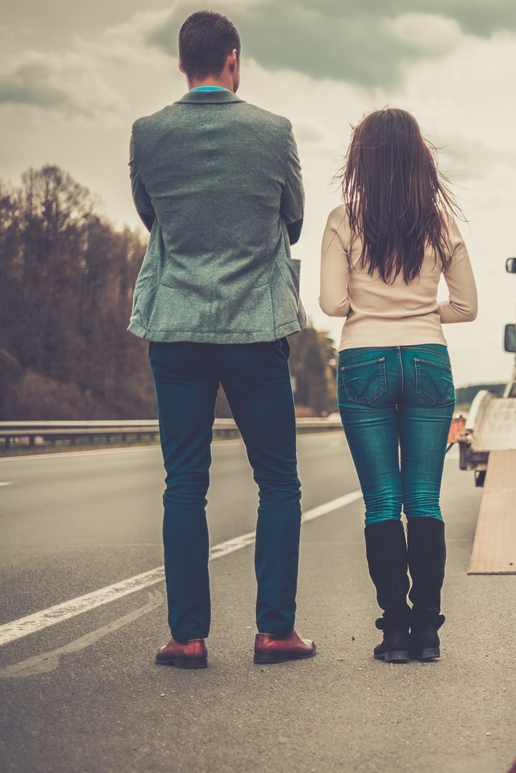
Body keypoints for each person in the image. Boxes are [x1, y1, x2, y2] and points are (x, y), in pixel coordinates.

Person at [128, 10, 315, 668]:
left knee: (184, 483)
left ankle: (187, 635)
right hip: (253, 328)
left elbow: (150, 216)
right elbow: (292, 218)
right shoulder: (274, 132)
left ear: (183, 63)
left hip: (176, 329)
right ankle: (274, 631)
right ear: (233, 59)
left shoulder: (148, 134)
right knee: (279, 482)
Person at [320, 108, 477, 663]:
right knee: (425, 499)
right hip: (429, 360)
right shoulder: (440, 224)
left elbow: (333, 304)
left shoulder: (343, 220)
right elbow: (467, 307)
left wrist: (374, 308)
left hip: (364, 360)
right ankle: (428, 634)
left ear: (360, 161)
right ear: (420, 161)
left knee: (382, 502)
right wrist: (419, 311)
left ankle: (393, 632)